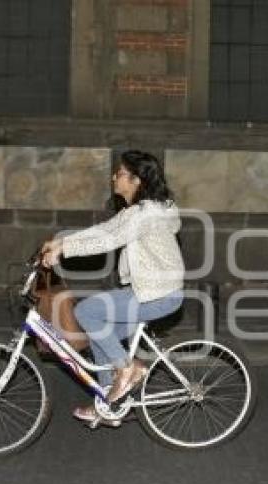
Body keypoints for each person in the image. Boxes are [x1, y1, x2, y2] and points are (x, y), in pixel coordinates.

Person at [41, 150, 185, 426]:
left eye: (119, 173)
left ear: (136, 181)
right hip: (152, 290)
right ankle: (108, 404)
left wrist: (63, 250)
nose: (114, 177)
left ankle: (127, 369)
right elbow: (104, 230)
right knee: (100, 335)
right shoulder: (138, 212)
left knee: (87, 312)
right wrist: (60, 244)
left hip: (158, 293)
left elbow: (107, 242)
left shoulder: (144, 215)